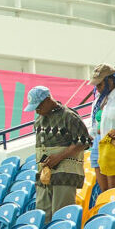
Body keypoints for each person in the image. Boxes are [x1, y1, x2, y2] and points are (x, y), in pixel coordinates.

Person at [30, 85, 91, 214]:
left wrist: (59, 157)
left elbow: (85, 141)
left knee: (61, 215)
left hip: (64, 175)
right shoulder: (39, 121)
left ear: (47, 100)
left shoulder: (69, 116)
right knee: (42, 215)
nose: (36, 111)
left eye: (38, 107)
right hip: (44, 176)